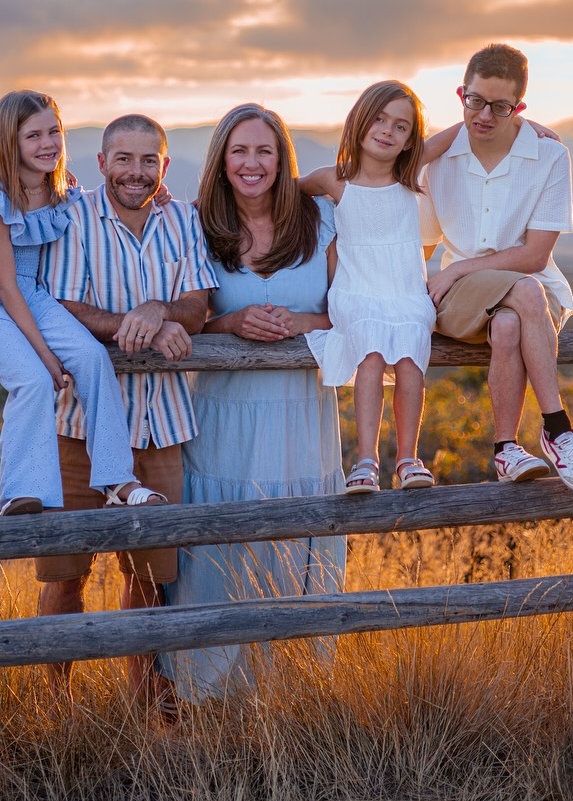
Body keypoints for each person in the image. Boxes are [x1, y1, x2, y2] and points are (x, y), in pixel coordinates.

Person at [161, 103, 346, 703]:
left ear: (282, 158)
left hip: (301, 414)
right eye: (239, 150)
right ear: (221, 158)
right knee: (217, 549)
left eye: (264, 151)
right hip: (223, 419)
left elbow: (350, 311)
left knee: (295, 540)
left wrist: (301, 322)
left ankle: (292, 699)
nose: (251, 163)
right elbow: (189, 320)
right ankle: (202, 700)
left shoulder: (320, 220)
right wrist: (233, 321)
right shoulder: (196, 225)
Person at [38, 113, 218, 713]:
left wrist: (163, 310)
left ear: (164, 167)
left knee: (149, 580)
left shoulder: (182, 217)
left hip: (159, 428)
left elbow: (197, 303)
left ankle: (146, 710)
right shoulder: (76, 216)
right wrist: (134, 326)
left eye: (148, 161)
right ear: (102, 163)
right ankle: (55, 713)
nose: (135, 173)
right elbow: (61, 304)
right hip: (78, 427)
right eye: (124, 159)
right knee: (65, 576)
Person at [0, 91, 161, 516]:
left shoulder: (59, 189)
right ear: (9, 144)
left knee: (90, 356)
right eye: (33, 135)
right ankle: (20, 490)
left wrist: (155, 195)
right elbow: (5, 287)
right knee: (31, 379)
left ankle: (116, 478)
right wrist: (46, 354)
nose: (48, 143)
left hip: (31, 294)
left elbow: (108, 198)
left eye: (54, 131)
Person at [419, 43, 573, 494]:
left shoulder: (549, 158)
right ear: (461, 94)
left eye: (500, 107)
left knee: (511, 319)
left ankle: (506, 449)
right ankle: (558, 431)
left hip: (529, 290)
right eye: (475, 101)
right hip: (461, 301)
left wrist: (456, 269)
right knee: (525, 294)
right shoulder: (438, 162)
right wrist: (433, 284)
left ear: (518, 106)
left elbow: (535, 257)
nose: (484, 115)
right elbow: (423, 242)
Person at [299, 81, 441, 493]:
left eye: (401, 126)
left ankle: (408, 459)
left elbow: (462, 133)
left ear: (410, 139)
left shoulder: (409, 177)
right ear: (359, 121)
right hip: (357, 289)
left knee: (413, 349)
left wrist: (525, 126)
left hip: (404, 290)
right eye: (379, 119)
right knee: (372, 353)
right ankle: (365, 461)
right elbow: (281, 191)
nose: (387, 130)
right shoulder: (334, 180)